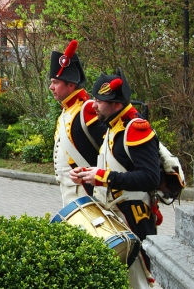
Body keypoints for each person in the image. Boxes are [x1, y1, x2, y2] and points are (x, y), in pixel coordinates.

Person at [69, 68, 161, 289]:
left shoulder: (136, 129)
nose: (94, 105)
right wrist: (88, 175)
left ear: (117, 105)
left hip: (133, 218)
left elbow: (150, 178)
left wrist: (103, 176)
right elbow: (113, 169)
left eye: (100, 101)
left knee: (138, 280)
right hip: (113, 217)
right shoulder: (113, 125)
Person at [49, 40, 106, 207]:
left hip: (86, 192)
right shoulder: (68, 111)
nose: (51, 87)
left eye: (56, 82)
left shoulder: (87, 110)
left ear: (71, 85)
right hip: (69, 191)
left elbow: (110, 150)